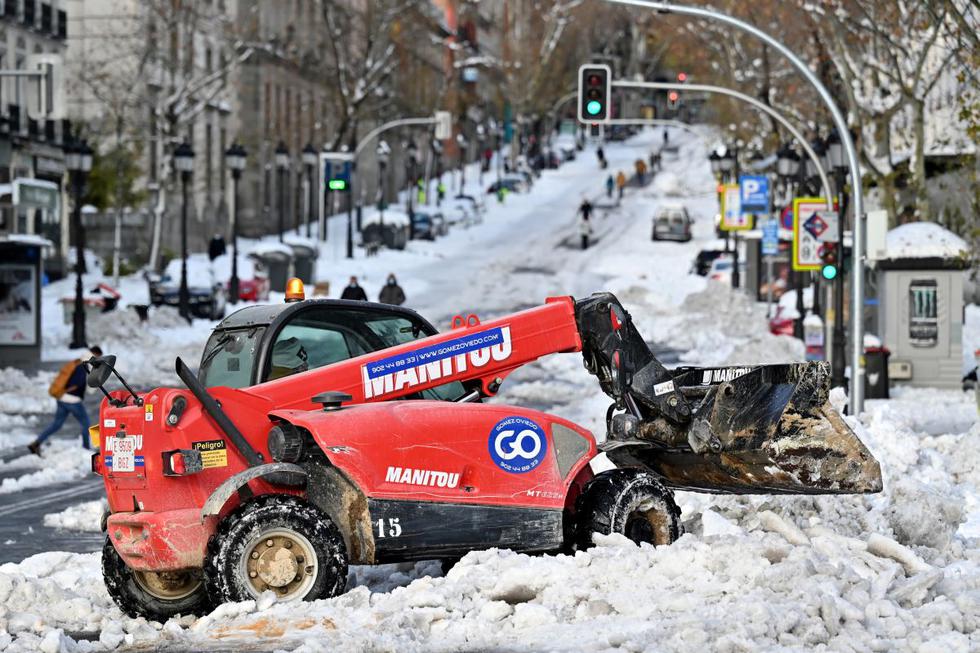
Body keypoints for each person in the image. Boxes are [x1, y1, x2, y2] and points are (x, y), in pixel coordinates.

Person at [29, 345, 102, 455]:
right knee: (86, 424)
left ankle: (36, 443)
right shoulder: (85, 365)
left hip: (62, 399)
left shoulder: (78, 361)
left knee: (56, 424)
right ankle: (86, 449)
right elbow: (79, 383)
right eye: (99, 357)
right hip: (72, 400)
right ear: (96, 354)